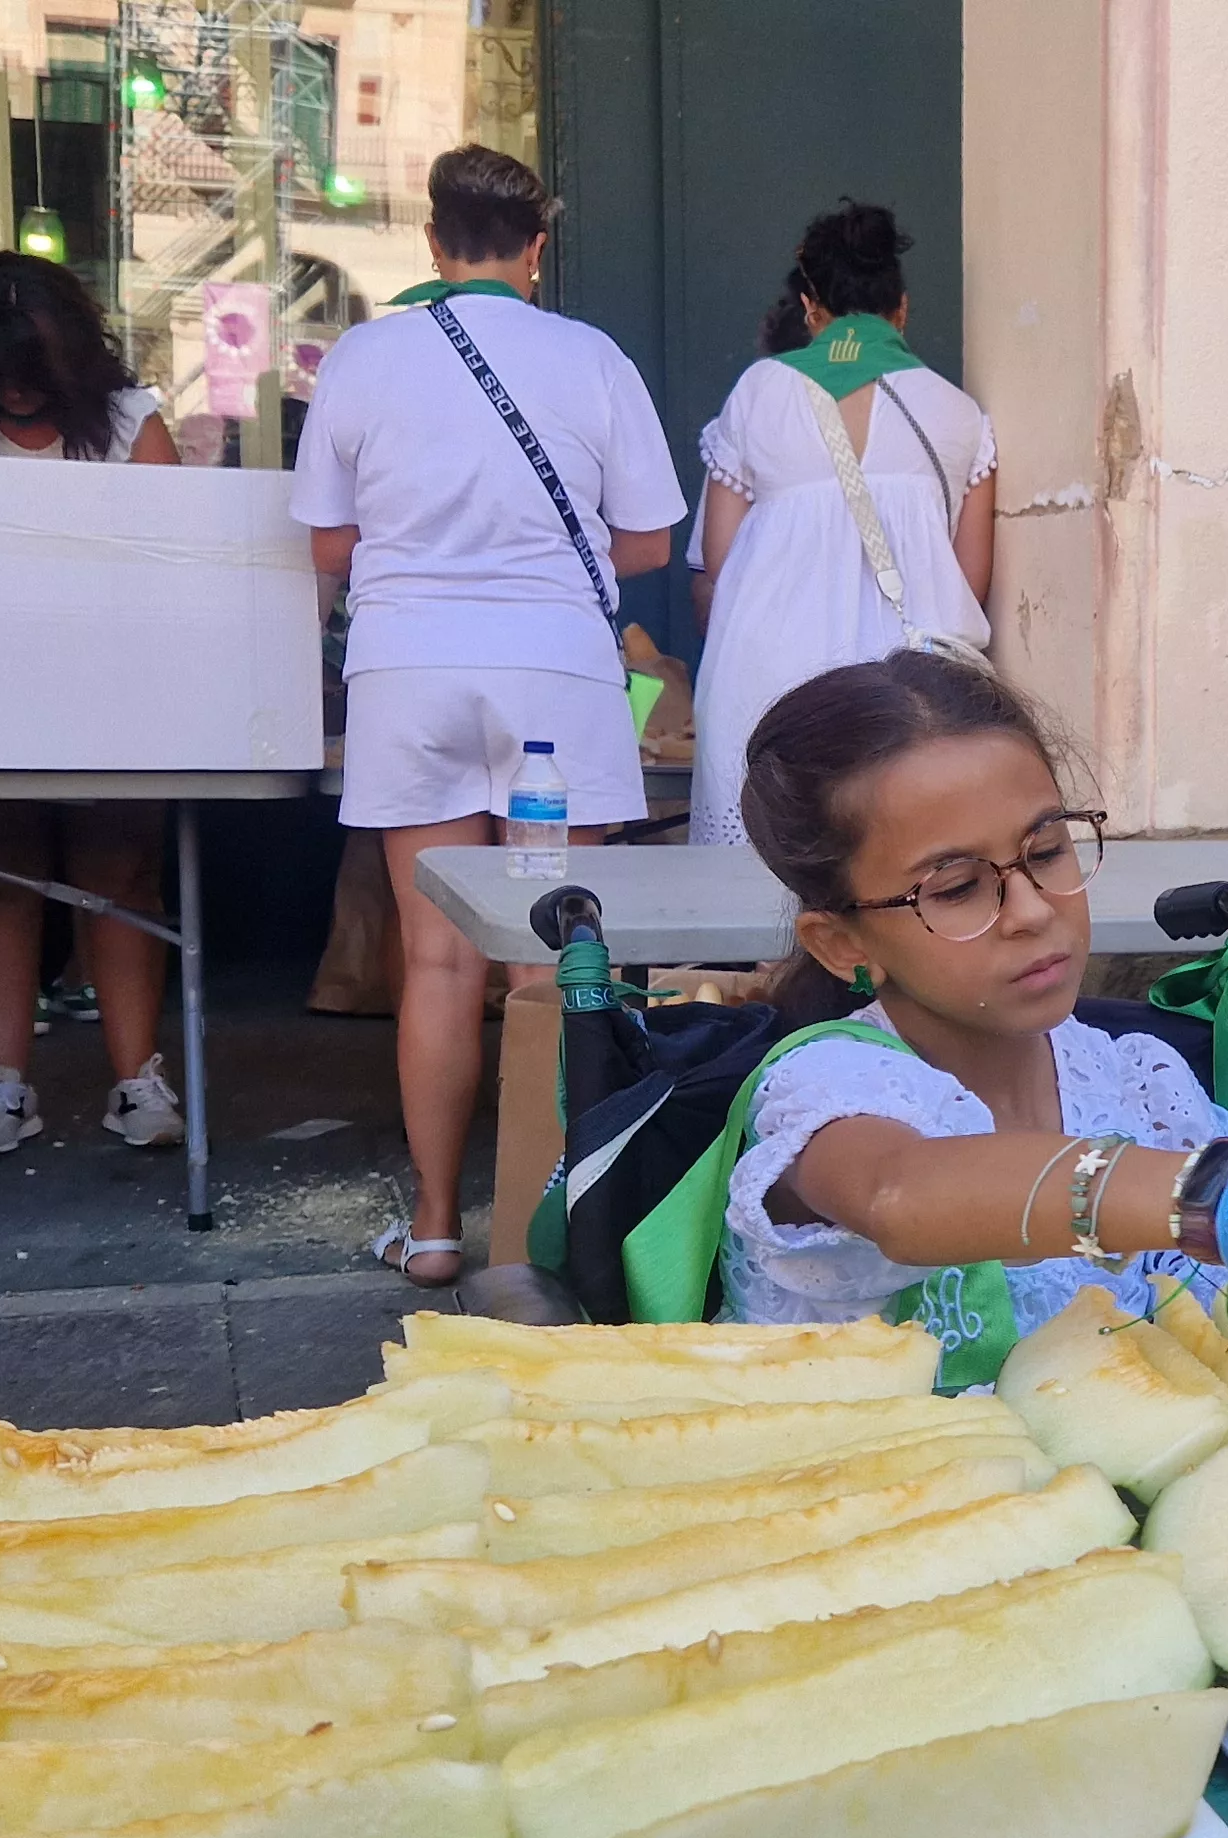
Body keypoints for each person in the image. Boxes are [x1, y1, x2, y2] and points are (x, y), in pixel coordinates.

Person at [726, 652, 1228, 1425]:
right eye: (957, 888)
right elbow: (902, 1196)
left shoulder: (1133, 1081)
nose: (1033, 909)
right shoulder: (829, 1089)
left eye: (1047, 849)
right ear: (842, 943)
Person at [292, 145, 681, 1283]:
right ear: (536, 249)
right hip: (553, 674)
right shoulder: (590, 355)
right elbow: (651, 542)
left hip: (407, 673)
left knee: (436, 964)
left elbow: (325, 544)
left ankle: (432, 1226)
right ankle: (542, 1217)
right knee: (551, 964)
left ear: (431, 242)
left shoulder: (363, 356)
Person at [0, 251, 186, 1159]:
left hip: (116, 683)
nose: (16, 398)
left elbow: (176, 566)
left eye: (32, 381)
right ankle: (4, 1081)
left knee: (122, 874)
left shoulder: (133, 420)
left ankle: (139, 1081)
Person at [688, 199, 995, 847]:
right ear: (902, 308)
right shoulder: (959, 414)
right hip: (909, 697)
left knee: (769, 884)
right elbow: (971, 578)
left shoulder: (759, 393)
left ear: (809, 308)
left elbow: (719, 562)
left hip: (768, 677)